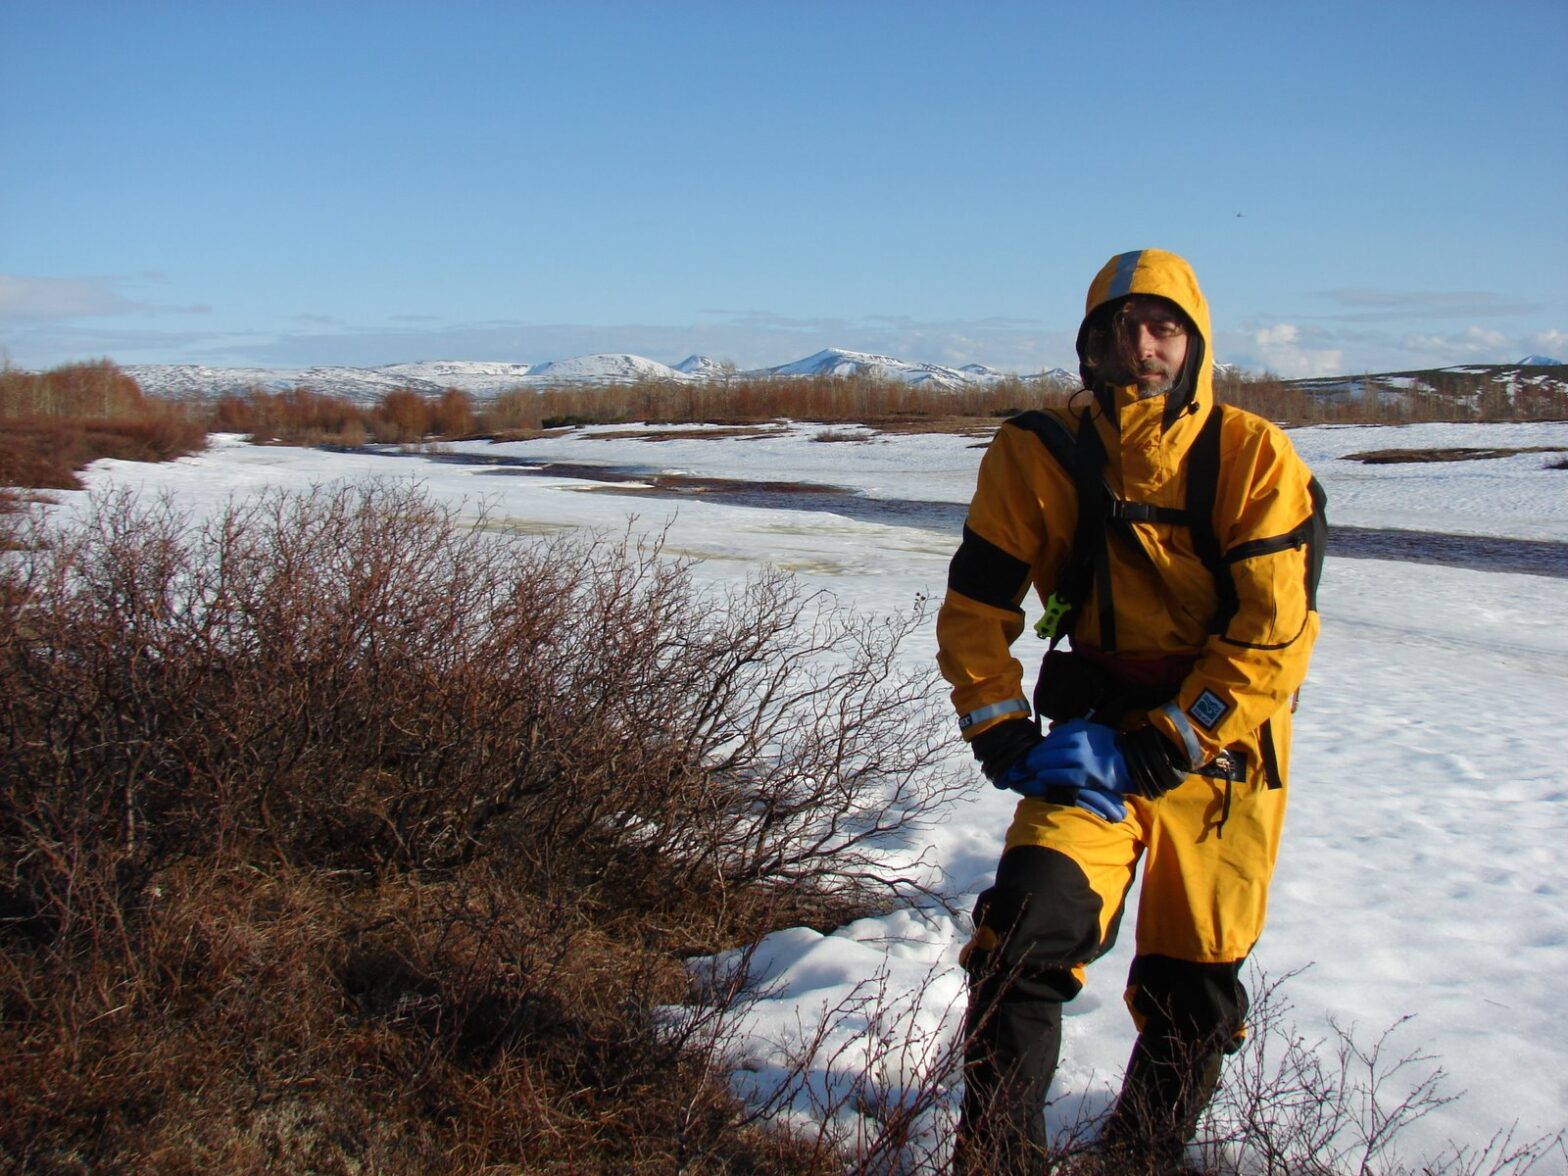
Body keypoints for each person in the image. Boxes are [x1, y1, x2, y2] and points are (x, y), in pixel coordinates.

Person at [936, 248, 1324, 1173]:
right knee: (1016, 944)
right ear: (1088, 348)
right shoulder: (1037, 457)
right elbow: (978, 607)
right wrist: (999, 726)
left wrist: (1169, 743)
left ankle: (1142, 1158)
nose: (1139, 347)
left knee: (1192, 994)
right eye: (1116, 329)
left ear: (1194, 343)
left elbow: (1274, 636)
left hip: (1223, 762)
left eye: (1162, 327)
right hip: (1090, 746)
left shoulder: (1253, 458)